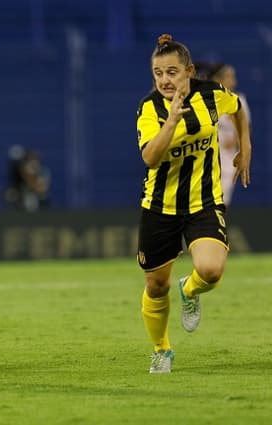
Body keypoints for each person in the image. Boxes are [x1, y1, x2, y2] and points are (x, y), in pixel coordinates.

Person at [135, 34, 251, 373]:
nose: (164, 80)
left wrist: (245, 145)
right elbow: (151, 158)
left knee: (211, 271)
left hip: (204, 202)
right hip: (160, 207)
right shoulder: (149, 108)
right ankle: (161, 349)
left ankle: (190, 288)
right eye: (158, 73)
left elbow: (238, 107)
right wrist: (171, 120)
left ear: (189, 71)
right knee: (156, 286)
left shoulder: (212, 96)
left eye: (172, 72)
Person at [204, 63, 252, 206]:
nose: (234, 81)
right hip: (205, 159)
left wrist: (239, 144)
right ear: (218, 80)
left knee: (221, 203)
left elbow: (246, 131)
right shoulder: (205, 100)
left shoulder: (239, 101)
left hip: (227, 161)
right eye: (229, 77)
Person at [3, 145, 51, 211]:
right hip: (24, 194)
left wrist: (29, 178)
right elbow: (16, 186)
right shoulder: (18, 171)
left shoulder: (42, 171)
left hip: (37, 197)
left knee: (32, 201)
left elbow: (41, 188)